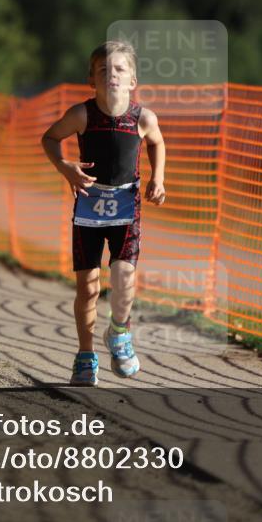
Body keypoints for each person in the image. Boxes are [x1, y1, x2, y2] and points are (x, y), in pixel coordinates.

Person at [41, 40, 166, 386]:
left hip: (126, 206)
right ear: (91, 80)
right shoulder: (82, 115)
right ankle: (85, 356)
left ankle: (120, 332)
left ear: (132, 80)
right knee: (88, 288)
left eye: (119, 69)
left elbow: (157, 142)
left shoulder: (143, 118)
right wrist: (66, 167)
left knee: (124, 277)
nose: (111, 75)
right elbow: (49, 139)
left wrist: (158, 178)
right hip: (89, 210)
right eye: (103, 70)